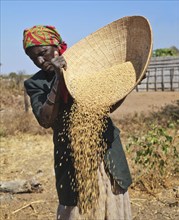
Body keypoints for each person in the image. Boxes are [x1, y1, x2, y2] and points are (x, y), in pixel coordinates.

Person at [23, 25, 132, 220]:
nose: (39, 61)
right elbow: (45, 119)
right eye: (33, 58)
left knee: (112, 202)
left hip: (105, 150)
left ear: (56, 46)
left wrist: (130, 84)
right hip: (70, 155)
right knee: (75, 208)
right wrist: (58, 78)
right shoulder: (36, 83)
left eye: (43, 53)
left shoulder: (85, 68)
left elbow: (107, 105)